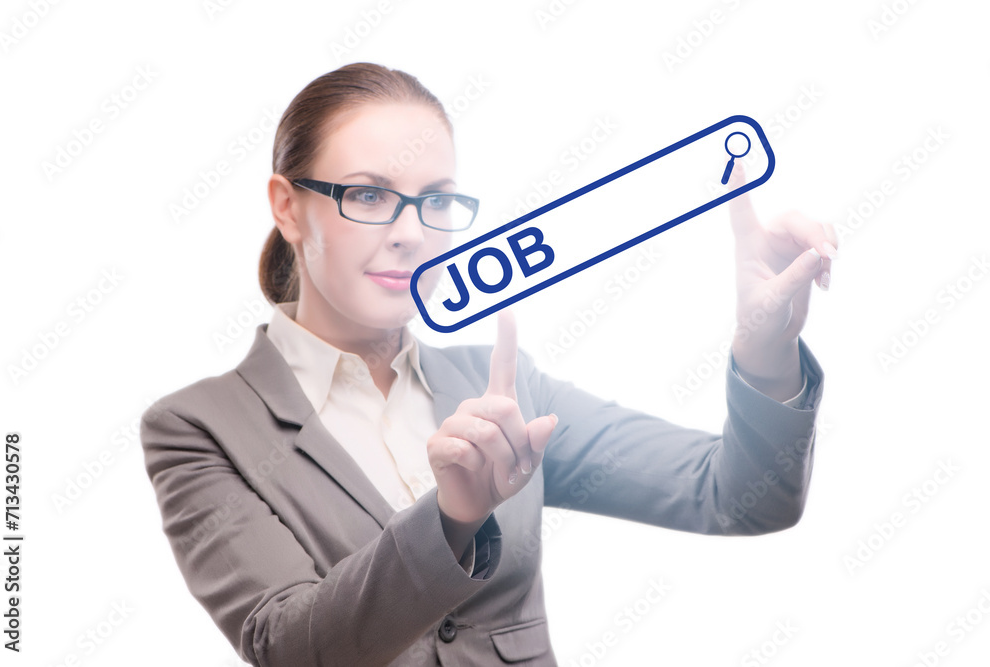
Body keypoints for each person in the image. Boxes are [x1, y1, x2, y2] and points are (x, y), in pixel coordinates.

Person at [139, 62, 833, 667]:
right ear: (288, 208)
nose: (411, 233)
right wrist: (451, 518)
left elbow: (740, 495)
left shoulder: (503, 386)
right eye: (369, 195)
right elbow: (289, 646)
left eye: (436, 200)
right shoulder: (199, 426)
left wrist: (765, 353)